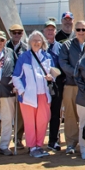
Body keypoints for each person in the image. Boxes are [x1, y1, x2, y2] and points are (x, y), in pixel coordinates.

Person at [12, 30, 55, 158]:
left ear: (42, 42)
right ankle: (32, 147)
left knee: (43, 121)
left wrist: (51, 77)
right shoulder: (23, 57)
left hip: (43, 94)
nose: (36, 42)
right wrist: (22, 91)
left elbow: (54, 73)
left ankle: (39, 145)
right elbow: (16, 77)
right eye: (34, 40)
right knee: (30, 122)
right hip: (28, 96)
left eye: (39, 40)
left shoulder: (47, 57)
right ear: (29, 42)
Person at [58, 21, 85, 153]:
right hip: (71, 84)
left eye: (83, 29)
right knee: (70, 115)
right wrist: (77, 73)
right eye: (78, 29)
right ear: (75, 31)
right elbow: (63, 63)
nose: (80, 32)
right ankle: (71, 143)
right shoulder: (67, 45)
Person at [44, 19, 66, 152]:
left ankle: (53, 140)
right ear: (44, 31)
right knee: (41, 113)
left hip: (57, 85)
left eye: (52, 29)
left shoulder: (61, 47)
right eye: (48, 29)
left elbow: (63, 64)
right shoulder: (38, 46)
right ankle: (37, 141)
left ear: (55, 31)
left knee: (55, 114)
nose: (50, 31)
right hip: (41, 84)